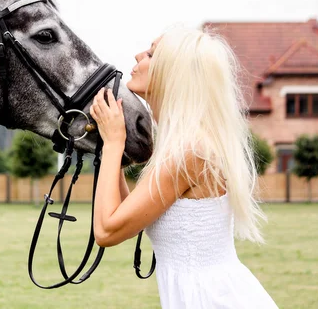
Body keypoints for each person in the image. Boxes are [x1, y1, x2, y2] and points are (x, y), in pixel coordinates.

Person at [89, 28, 278, 308]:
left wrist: (115, 143)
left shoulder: (189, 151)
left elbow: (107, 232)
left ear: (173, 73)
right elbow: (130, 215)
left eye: (151, 54)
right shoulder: (186, 143)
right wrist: (109, 145)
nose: (138, 56)